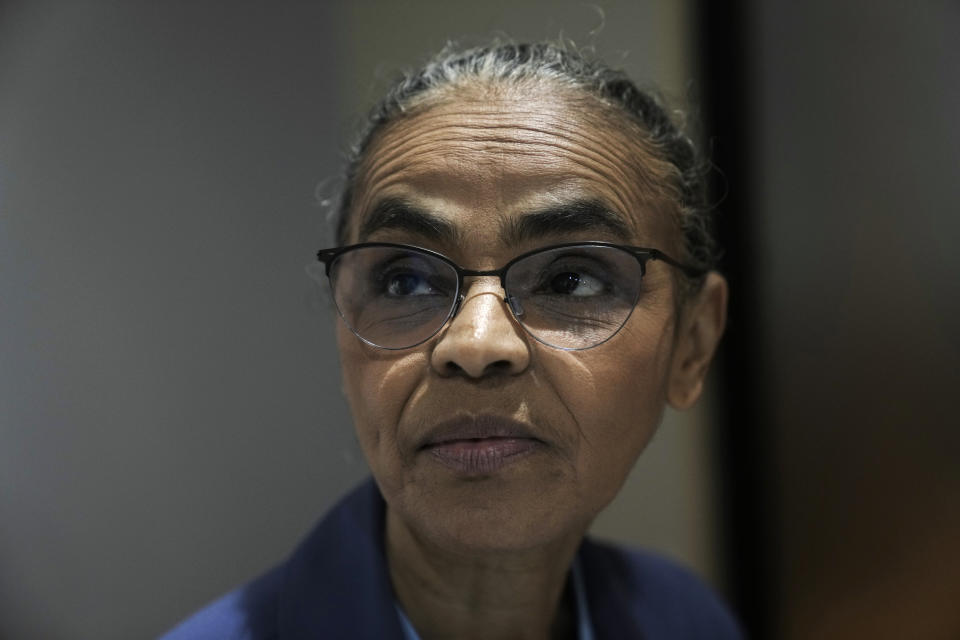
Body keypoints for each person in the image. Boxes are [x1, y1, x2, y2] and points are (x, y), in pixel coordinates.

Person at [160, 41, 739, 639]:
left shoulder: (687, 618)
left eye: (571, 280)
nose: (476, 343)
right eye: (406, 281)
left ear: (692, 344)